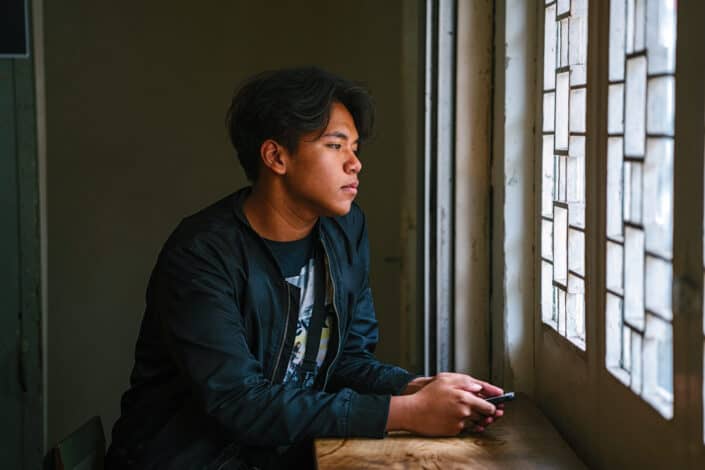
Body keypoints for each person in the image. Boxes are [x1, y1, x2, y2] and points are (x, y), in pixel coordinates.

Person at [105, 66, 505, 470]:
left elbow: (346, 360)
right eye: (335, 146)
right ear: (276, 156)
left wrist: (413, 387)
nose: (355, 164)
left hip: (281, 456)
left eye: (355, 148)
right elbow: (239, 402)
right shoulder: (201, 254)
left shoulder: (345, 229)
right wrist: (406, 412)